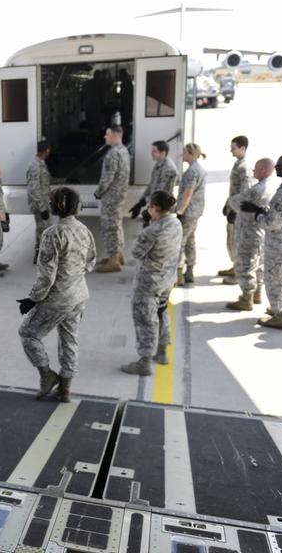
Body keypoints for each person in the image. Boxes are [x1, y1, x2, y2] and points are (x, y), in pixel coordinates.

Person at [17, 188, 96, 402]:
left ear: (55, 207)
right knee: (69, 340)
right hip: (79, 296)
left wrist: (32, 299)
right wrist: (73, 275)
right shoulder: (84, 230)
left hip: (57, 300)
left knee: (28, 334)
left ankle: (47, 376)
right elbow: (91, 262)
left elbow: (46, 276)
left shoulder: (52, 234)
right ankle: (65, 389)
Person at [241, 154, 282, 330]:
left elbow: (272, 223)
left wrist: (257, 214)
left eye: (279, 166)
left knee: (274, 279)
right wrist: (263, 210)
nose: (275, 167)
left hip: (280, 244)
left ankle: (280, 316)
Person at [121, 192, 183, 376]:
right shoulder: (176, 223)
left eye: (149, 207)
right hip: (167, 279)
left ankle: (144, 361)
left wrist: (147, 225)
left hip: (149, 282)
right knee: (162, 312)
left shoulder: (152, 231)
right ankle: (162, 352)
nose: (148, 210)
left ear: (155, 207)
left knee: (145, 320)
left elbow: (136, 253)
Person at [225, 158, 273, 311]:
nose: (253, 171)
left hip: (248, 233)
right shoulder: (271, 188)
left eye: (257, 168)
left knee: (245, 265)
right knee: (258, 264)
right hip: (259, 232)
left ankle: (247, 298)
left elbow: (235, 201)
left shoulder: (256, 189)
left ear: (264, 171)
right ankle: (257, 294)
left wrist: (229, 202)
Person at [94, 125, 131, 273]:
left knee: (110, 227)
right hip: (120, 194)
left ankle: (113, 261)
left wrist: (99, 192)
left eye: (107, 134)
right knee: (117, 224)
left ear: (116, 135)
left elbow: (108, 178)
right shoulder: (124, 150)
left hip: (111, 196)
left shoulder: (113, 154)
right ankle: (118, 255)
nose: (105, 136)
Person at [219, 136, 252, 284]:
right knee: (231, 239)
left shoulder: (244, 168)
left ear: (242, 148)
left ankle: (238, 274)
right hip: (233, 207)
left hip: (238, 211)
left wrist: (234, 208)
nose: (231, 150)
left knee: (236, 241)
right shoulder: (238, 164)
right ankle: (235, 266)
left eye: (233, 148)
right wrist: (228, 204)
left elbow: (245, 193)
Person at [176, 143, 208, 286]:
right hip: (195, 212)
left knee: (180, 242)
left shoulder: (192, 172)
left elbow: (188, 194)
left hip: (188, 212)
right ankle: (189, 271)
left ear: (190, 153)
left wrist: (180, 211)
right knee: (190, 241)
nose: (182, 154)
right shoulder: (199, 169)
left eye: (184, 152)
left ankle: (179, 274)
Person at [129, 140, 178, 223]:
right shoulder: (158, 165)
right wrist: (140, 203)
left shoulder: (169, 168)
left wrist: (146, 204)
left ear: (163, 152)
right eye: (152, 151)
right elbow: (152, 186)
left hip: (161, 208)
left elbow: (160, 191)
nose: (152, 153)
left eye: (154, 151)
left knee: (156, 233)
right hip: (154, 205)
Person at [27, 139, 52, 264]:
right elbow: (34, 189)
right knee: (43, 230)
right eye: (49, 150)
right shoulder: (35, 166)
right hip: (39, 206)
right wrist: (42, 208)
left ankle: (41, 255)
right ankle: (39, 256)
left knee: (44, 229)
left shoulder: (41, 163)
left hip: (44, 204)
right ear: (46, 151)